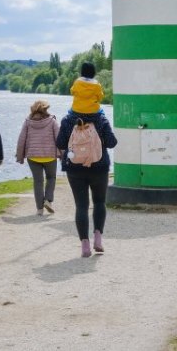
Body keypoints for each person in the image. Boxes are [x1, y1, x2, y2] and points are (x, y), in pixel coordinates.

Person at [57, 108, 118, 257]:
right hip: (99, 167)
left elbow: (60, 143)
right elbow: (112, 143)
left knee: (81, 206)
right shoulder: (101, 119)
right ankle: (97, 238)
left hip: (75, 169)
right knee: (99, 202)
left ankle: (85, 245)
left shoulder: (67, 119)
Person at [15, 99, 60, 216]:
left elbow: (21, 140)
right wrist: (63, 154)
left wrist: (20, 156)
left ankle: (39, 209)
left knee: (38, 182)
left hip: (33, 157)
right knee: (51, 178)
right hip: (50, 156)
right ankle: (48, 201)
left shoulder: (28, 122)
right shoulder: (52, 121)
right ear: (45, 109)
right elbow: (59, 139)